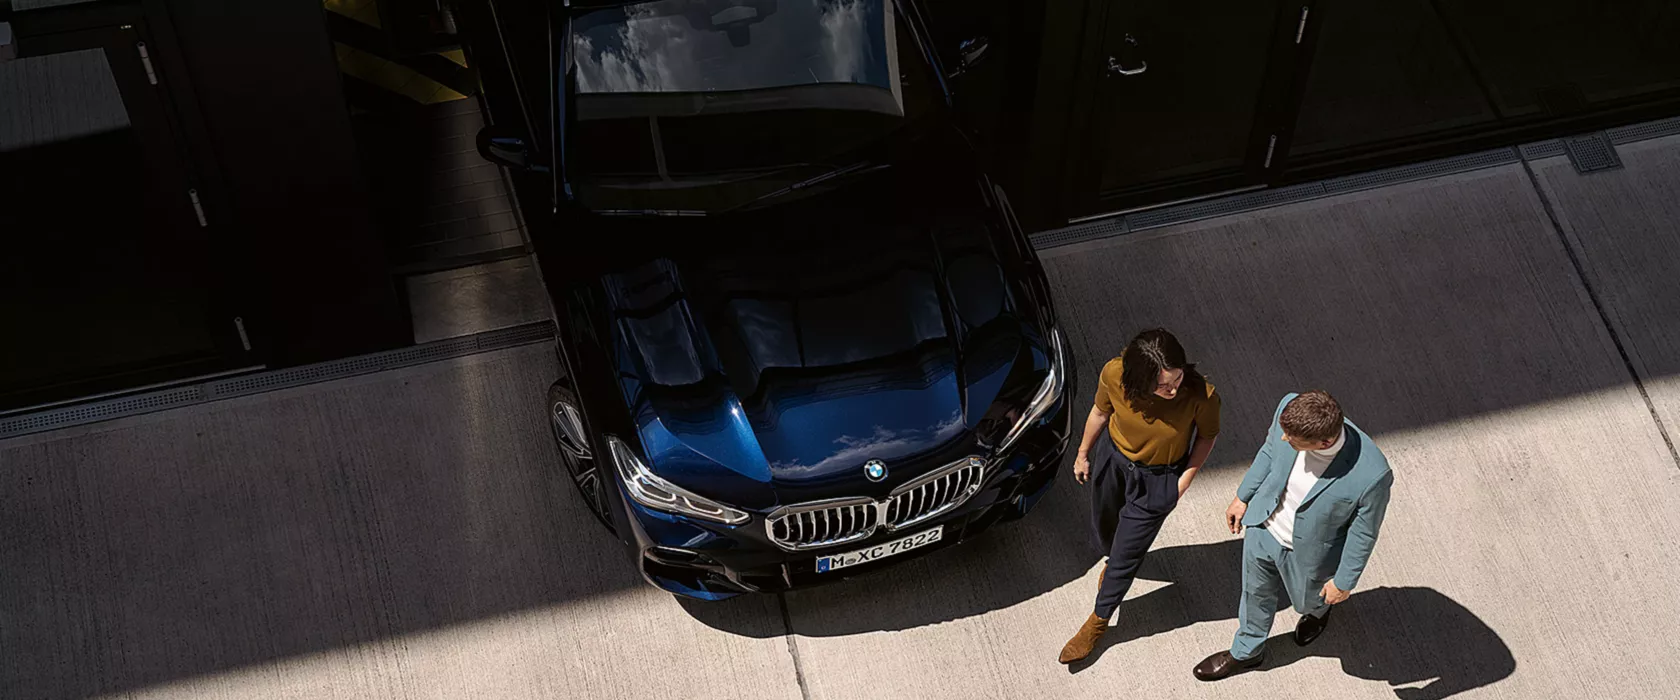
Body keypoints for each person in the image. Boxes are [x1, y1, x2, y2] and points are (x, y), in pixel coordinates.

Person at [1193, 390, 1394, 681]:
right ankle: (1248, 651)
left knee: (1308, 602)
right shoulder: (1289, 407)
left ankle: (1318, 613)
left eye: (1293, 440)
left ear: (1324, 442)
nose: (1285, 439)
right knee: (1254, 594)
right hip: (1264, 527)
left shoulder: (1372, 475)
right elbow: (1269, 451)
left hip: (1312, 555)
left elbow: (1364, 533)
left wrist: (1343, 582)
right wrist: (1243, 496)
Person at [1059, 328, 1221, 664]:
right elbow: (1100, 413)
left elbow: (1206, 437)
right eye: (1163, 385)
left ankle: (1098, 621)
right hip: (1113, 459)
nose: (1173, 388)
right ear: (1138, 377)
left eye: (1176, 378)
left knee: (1126, 555)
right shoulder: (1114, 374)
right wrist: (1083, 453)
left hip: (1157, 479)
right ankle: (1112, 562)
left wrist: (1182, 483)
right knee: (1104, 530)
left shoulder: (1200, 396)